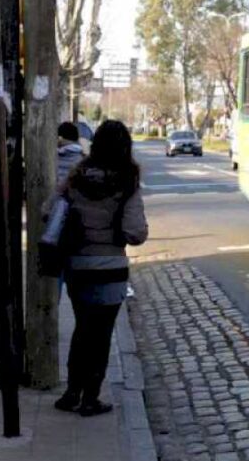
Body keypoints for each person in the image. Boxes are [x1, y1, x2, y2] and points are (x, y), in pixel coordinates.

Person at [54, 120, 148, 416]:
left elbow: (49, 210)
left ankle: (71, 392)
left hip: (77, 266)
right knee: (101, 334)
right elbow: (136, 233)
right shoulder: (128, 180)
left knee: (82, 329)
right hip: (111, 269)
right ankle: (91, 397)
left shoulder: (76, 176)